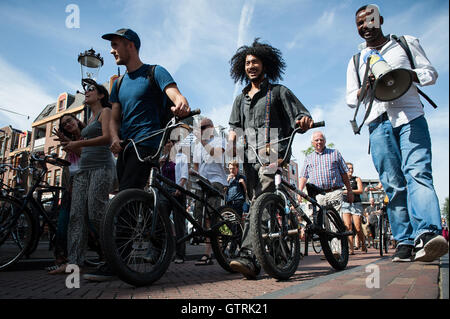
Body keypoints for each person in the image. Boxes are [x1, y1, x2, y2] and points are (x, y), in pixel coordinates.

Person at [83, 28, 191, 281]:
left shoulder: (155, 71)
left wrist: (181, 102)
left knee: (126, 196)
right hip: (127, 147)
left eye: (116, 45)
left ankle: (115, 261)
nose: (112, 51)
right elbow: (115, 118)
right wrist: (115, 137)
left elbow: (174, 93)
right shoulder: (119, 84)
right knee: (130, 197)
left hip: (148, 142)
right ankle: (157, 241)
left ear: (130, 45)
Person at [346, 5, 448, 262]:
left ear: (380, 19)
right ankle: (404, 240)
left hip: (410, 116)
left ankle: (427, 234)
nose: (365, 26)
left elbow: (430, 73)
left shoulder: (405, 43)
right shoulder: (356, 60)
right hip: (377, 124)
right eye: (359, 23)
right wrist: (365, 88)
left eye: (369, 20)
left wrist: (405, 75)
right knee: (392, 184)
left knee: (418, 172)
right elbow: (350, 99)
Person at [227, 38, 314, 279]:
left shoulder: (279, 91)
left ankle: (247, 255)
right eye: (247, 63)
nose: (251, 66)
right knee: (258, 205)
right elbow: (234, 127)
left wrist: (304, 120)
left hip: (274, 150)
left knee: (260, 201)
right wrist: (232, 141)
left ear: (265, 65)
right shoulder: (240, 99)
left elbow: (301, 113)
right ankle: (277, 254)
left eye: (255, 62)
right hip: (249, 157)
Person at [50, 81, 116, 275]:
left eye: (90, 90)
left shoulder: (105, 112)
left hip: (101, 167)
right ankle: (74, 262)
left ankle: (114, 256)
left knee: (96, 213)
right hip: (83, 171)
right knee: (76, 216)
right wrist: (70, 144)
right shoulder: (89, 120)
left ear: (101, 95)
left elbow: (107, 138)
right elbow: (84, 148)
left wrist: (77, 143)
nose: (86, 92)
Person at [298, 131, 353, 259]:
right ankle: (329, 250)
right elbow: (303, 176)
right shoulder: (309, 158)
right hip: (319, 195)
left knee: (334, 220)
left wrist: (349, 190)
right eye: (316, 140)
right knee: (324, 223)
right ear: (312, 143)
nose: (319, 142)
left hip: (334, 191)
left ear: (325, 141)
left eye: (321, 139)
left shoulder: (335, 153)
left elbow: (345, 174)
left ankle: (335, 252)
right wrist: (300, 191)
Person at [46, 114, 84, 271]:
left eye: (69, 121)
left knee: (88, 221)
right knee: (64, 220)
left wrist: (68, 142)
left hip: (86, 183)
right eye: (64, 125)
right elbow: (70, 167)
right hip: (71, 186)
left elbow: (86, 156)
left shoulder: (88, 135)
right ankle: (61, 259)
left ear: (77, 120)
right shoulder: (69, 143)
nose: (67, 125)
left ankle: (104, 250)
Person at [192, 118, 228, 265]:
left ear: (211, 128)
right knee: (200, 216)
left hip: (216, 180)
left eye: (204, 127)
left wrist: (202, 141)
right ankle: (213, 250)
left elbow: (216, 154)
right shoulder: (197, 146)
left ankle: (213, 252)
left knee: (212, 217)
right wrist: (191, 173)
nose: (200, 131)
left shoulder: (219, 141)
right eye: (199, 128)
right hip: (202, 182)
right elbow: (196, 166)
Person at [148, 139, 188, 264]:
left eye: (172, 142)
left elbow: (184, 175)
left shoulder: (181, 157)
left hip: (177, 191)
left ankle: (180, 254)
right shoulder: (163, 158)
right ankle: (157, 252)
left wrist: (179, 187)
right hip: (164, 191)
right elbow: (160, 176)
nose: (169, 144)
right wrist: (160, 165)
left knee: (178, 223)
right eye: (167, 142)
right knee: (160, 221)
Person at [341, 162, 366, 255]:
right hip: (345, 204)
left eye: (351, 168)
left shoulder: (357, 179)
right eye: (348, 168)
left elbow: (360, 190)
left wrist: (348, 191)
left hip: (356, 204)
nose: (350, 170)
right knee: (348, 227)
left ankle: (363, 243)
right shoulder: (342, 180)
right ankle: (350, 248)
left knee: (358, 227)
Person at [225, 160, 247, 257]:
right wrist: (226, 182)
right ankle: (241, 249)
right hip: (229, 204)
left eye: (233, 168)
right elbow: (225, 190)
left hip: (238, 203)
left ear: (237, 168)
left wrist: (243, 184)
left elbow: (247, 191)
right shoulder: (229, 178)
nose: (231, 170)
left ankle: (232, 251)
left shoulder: (241, 177)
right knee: (230, 226)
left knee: (236, 226)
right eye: (230, 169)